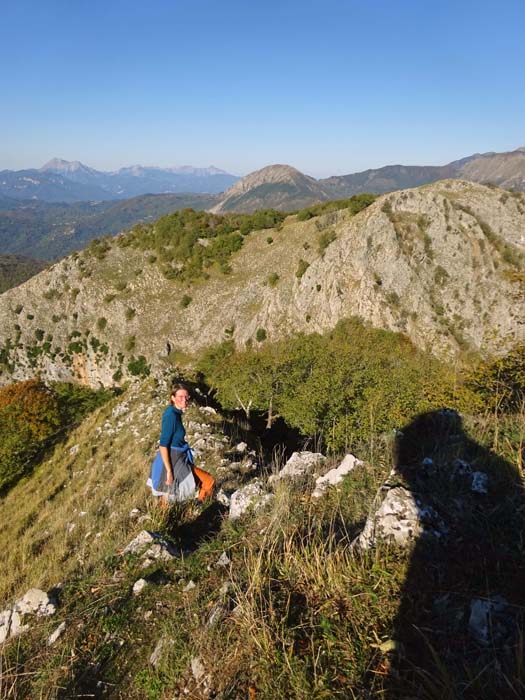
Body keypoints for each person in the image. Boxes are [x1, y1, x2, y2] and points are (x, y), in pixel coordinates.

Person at [147, 384, 215, 508]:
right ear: (173, 398)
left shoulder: (175, 413)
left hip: (178, 457)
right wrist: (168, 471)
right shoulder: (171, 415)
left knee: (168, 496)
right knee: (208, 481)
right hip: (172, 459)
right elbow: (163, 444)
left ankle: (165, 520)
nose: (184, 399)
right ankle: (199, 509)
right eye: (180, 396)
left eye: (186, 396)